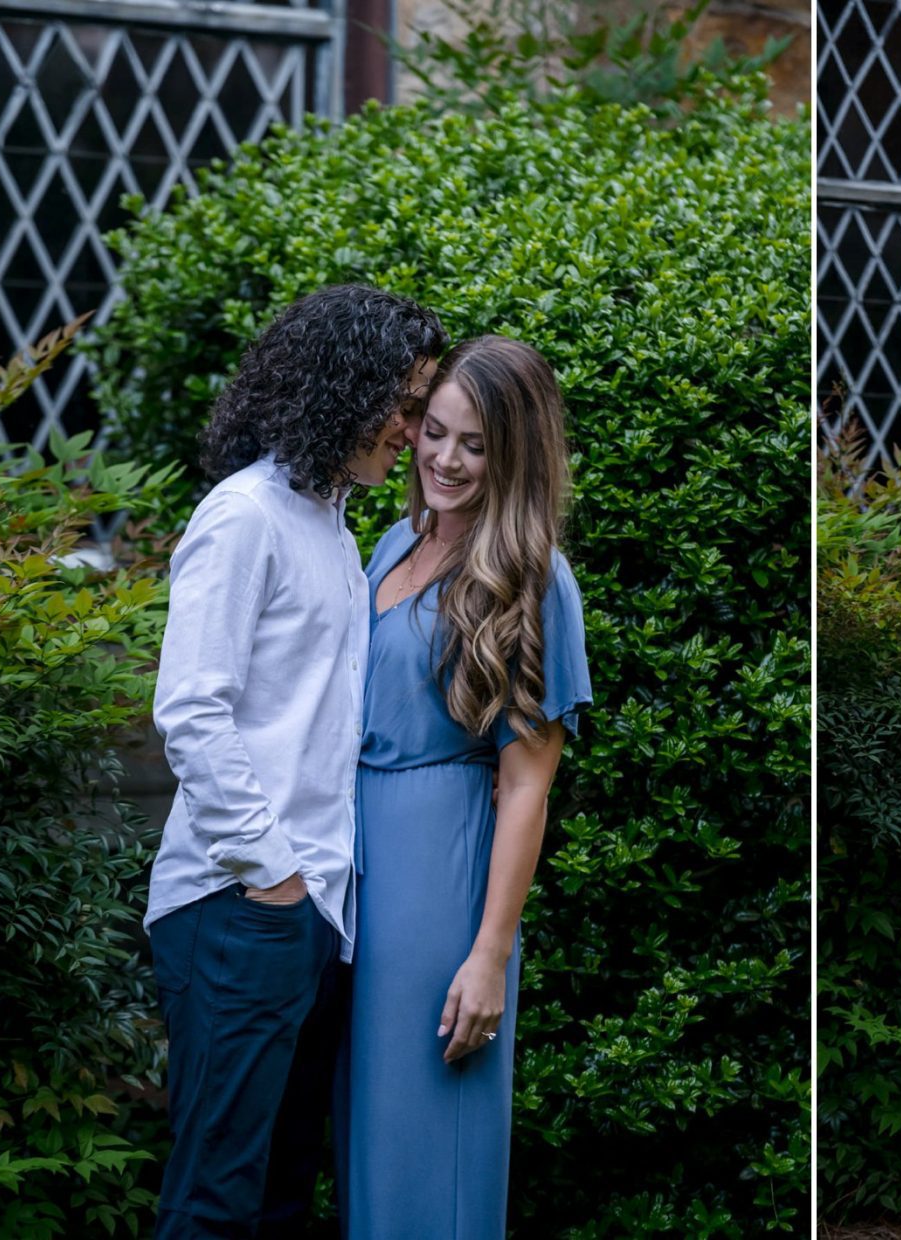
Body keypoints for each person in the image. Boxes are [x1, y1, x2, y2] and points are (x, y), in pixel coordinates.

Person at [145, 285, 445, 1238]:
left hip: (312, 911)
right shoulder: (246, 517)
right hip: (241, 905)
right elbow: (191, 709)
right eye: (402, 404)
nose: (411, 430)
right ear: (338, 388)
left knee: (278, 1195)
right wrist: (270, 874)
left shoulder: (331, 523)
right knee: (214, 1199)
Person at [336, 335, 592, 1238]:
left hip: (437, 881)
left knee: (423, 1139)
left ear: (514, 452)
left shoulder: (532, 577)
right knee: (363, 1132)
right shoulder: (393, 539)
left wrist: (490, 954)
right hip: (354, 872)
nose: (444, 459)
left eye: (475, 444)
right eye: (434, 432)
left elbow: (529, 784)